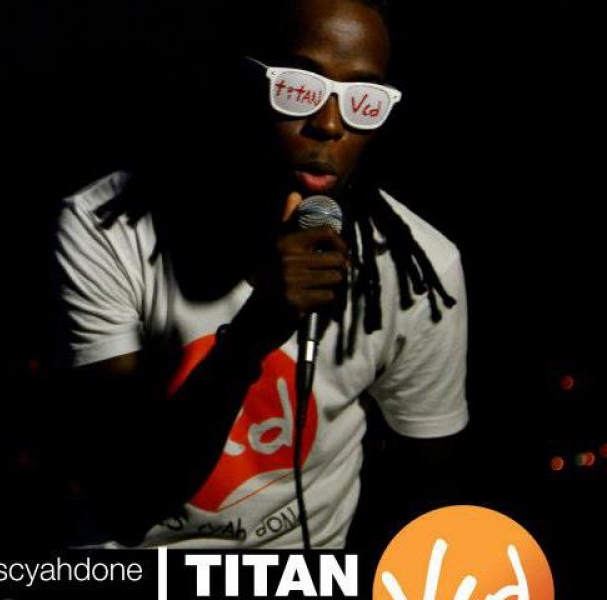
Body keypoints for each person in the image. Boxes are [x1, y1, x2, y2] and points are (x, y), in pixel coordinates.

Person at [51, 0, 468, 549]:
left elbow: (428, 487)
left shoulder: (419, 270)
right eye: (297, 88)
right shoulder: (108, 227)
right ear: (240, 79)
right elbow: (124, 503)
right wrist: (254, 332)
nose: (329, 124)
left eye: (364, 101)